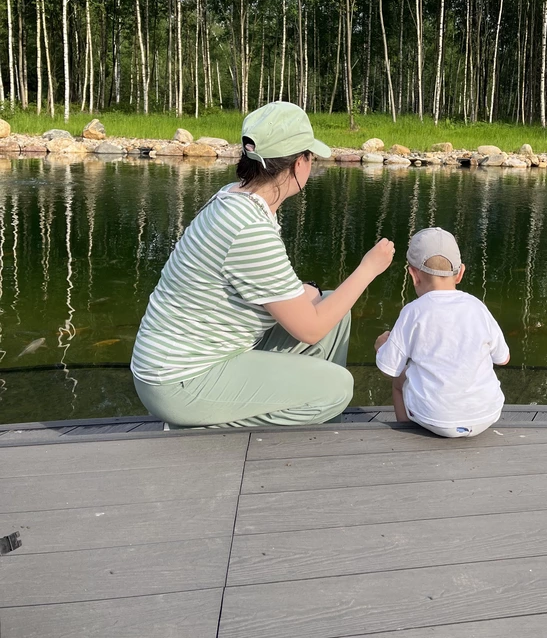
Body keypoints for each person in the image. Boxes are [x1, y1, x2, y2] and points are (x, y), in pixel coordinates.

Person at [131, 101, 395, 428]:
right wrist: (369, 268)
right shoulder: (249, 227)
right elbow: (309, 330)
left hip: (185, 363)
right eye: (310, 157)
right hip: (178, 381)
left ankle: (308, 413)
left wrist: (308, 293)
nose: (311, 166)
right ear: (299, 164)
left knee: (333, 310)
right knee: (337, 388)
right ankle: (199, 428)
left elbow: (261, 284)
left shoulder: (236, 198)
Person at [374, 227, 509, 438]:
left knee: (399, 381)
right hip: (487, 414)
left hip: (434, 419)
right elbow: (503, 359)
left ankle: (405, 432)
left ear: (413, 275)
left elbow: (388, 369)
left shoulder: (413, 311)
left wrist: (382, 347)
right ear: (460, 273)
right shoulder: (477, 307)